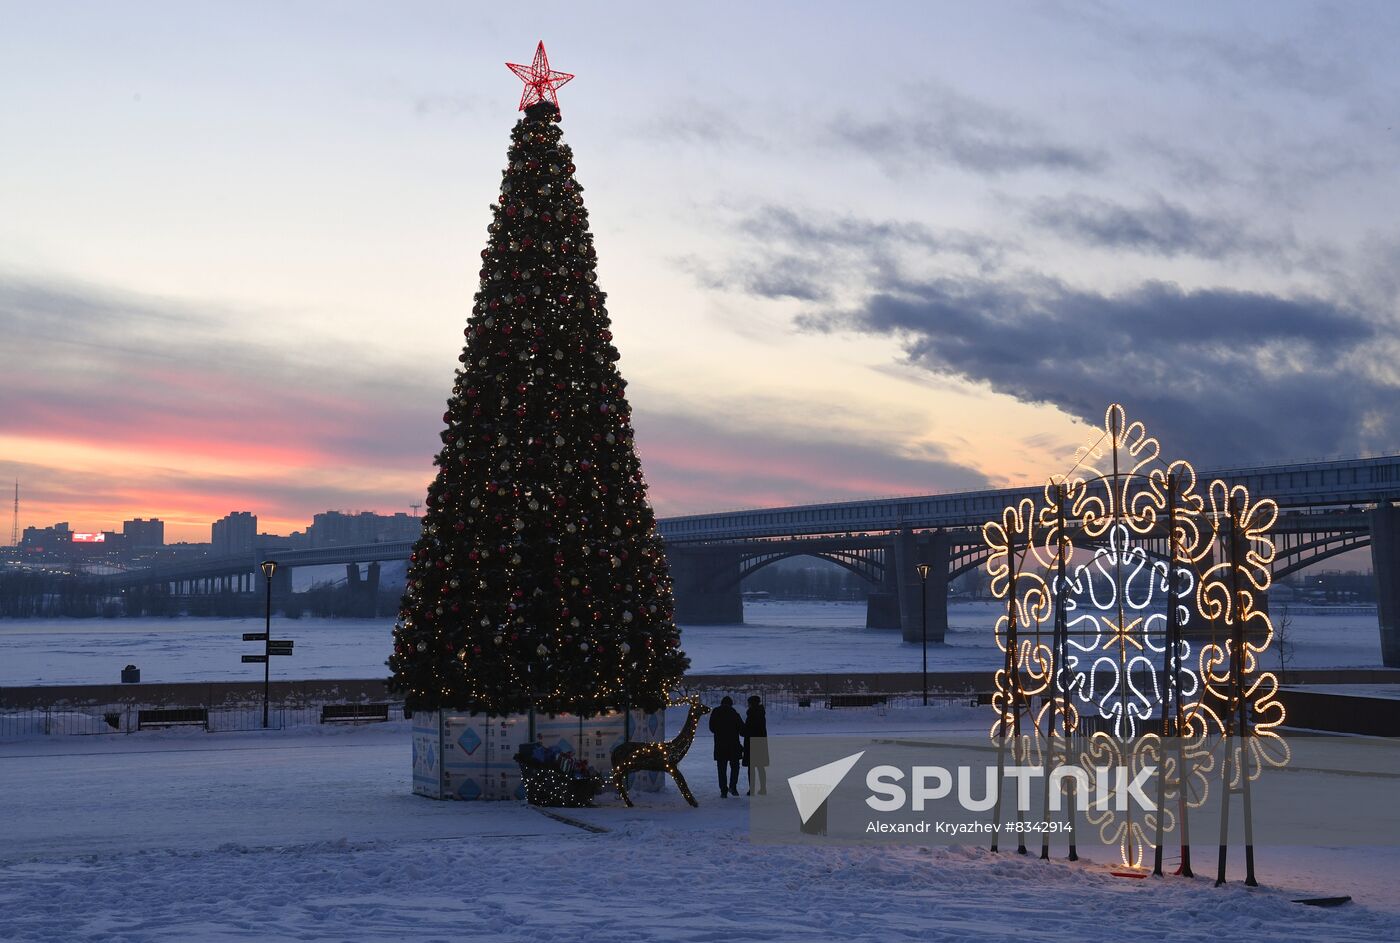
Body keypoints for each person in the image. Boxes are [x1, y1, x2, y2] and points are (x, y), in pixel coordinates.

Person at [709, 695, 744, 798]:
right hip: (734, 745)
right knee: (735, 767)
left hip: (720, 745)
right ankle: (733, 786)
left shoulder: (716, 712)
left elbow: (712, 728)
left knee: (721, 769)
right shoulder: (734, 713)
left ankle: (723, 790)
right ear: (731, 704)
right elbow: (742, 729)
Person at [743, 694, 768, 796]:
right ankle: (763, 788)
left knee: (751, 768)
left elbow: (747, 729)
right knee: (760, 767)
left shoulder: (751, 715)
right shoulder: (761, 714)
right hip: (760, 742)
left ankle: (752, 789)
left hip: (751, 742)